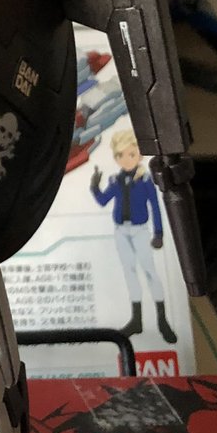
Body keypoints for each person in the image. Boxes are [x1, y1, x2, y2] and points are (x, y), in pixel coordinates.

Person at [90, 128, 175, 343]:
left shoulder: (145, 180)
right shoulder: (115, 180)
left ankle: (162, 320)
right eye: (120, 155)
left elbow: (155, 206)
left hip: (139, 231)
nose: (126, 159)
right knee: (130, 273)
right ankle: (137, 320)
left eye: (131, 154)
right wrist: (95, 186)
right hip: (121, 231)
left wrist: (158, 232)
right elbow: (103, 201)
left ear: (138, 155)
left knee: (150, 272)